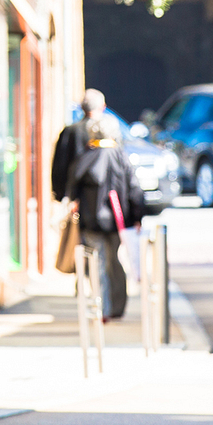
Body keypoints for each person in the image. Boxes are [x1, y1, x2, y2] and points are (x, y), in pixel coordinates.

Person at [57, 91, 143, 321]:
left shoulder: (85, 158)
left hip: (91, 220)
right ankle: (117, 307)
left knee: (99, 262)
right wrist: (137, 217)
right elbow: (134, 188)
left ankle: (102, 308)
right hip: (116, 220)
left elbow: (71, 188)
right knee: (114, 261)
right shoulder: (120, 157)